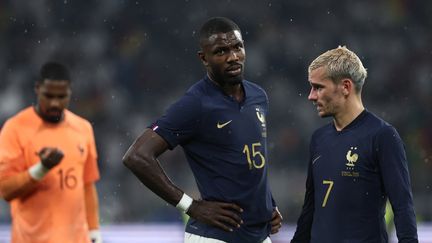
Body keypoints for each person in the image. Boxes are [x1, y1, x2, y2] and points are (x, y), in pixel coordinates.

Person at [123, 17, 282, 243]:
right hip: (215, 236)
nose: (233, 57)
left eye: (237, 47)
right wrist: (191, 206)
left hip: (258, 234)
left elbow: (250, 161)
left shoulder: (258, 96)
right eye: (221, 51)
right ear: (204, 58)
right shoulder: (196, 104)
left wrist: (268, 205)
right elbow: (136, 156)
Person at [291, 46, 418, 242]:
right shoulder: (319, 138)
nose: (311, 96)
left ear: (346, 87)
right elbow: (310, 209)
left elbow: (403, 206)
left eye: (318, 87)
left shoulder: (382, 136)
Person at [0, 62, 102, 243]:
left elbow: (87, 185)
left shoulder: (83, 128)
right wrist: (41, 168)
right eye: (49, 96)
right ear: (37, 89)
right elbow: (6, 190)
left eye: (62, 96)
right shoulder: (14, 129)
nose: (55, 103)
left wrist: (94, 233)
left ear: (70, 92)